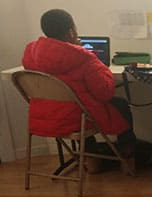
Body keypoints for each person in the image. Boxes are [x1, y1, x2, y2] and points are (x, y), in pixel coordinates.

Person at [22, 9, 136, 175]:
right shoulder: (82, 58)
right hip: (76, 119)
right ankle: (127, 160)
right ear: (71, 31)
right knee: (120, 105)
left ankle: (92, 161)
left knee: (81, 106)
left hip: (44, 116)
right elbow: (105, 92)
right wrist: (97, 63)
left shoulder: (31, 55)